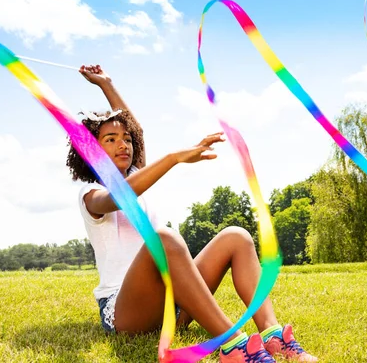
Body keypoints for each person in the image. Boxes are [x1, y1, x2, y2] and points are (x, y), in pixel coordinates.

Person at [65, 65, 318, 362]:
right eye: (110, 139)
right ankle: (233, 346)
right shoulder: (90, 194)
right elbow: (120, 196)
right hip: (126, 313)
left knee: (236, 236)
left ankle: (273, 335)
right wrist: (174, 158)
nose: (124, 144)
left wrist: (107, 84)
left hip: (175, 305)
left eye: (127, 139)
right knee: (164, 238)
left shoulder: (136, 173)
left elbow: (139, 131)